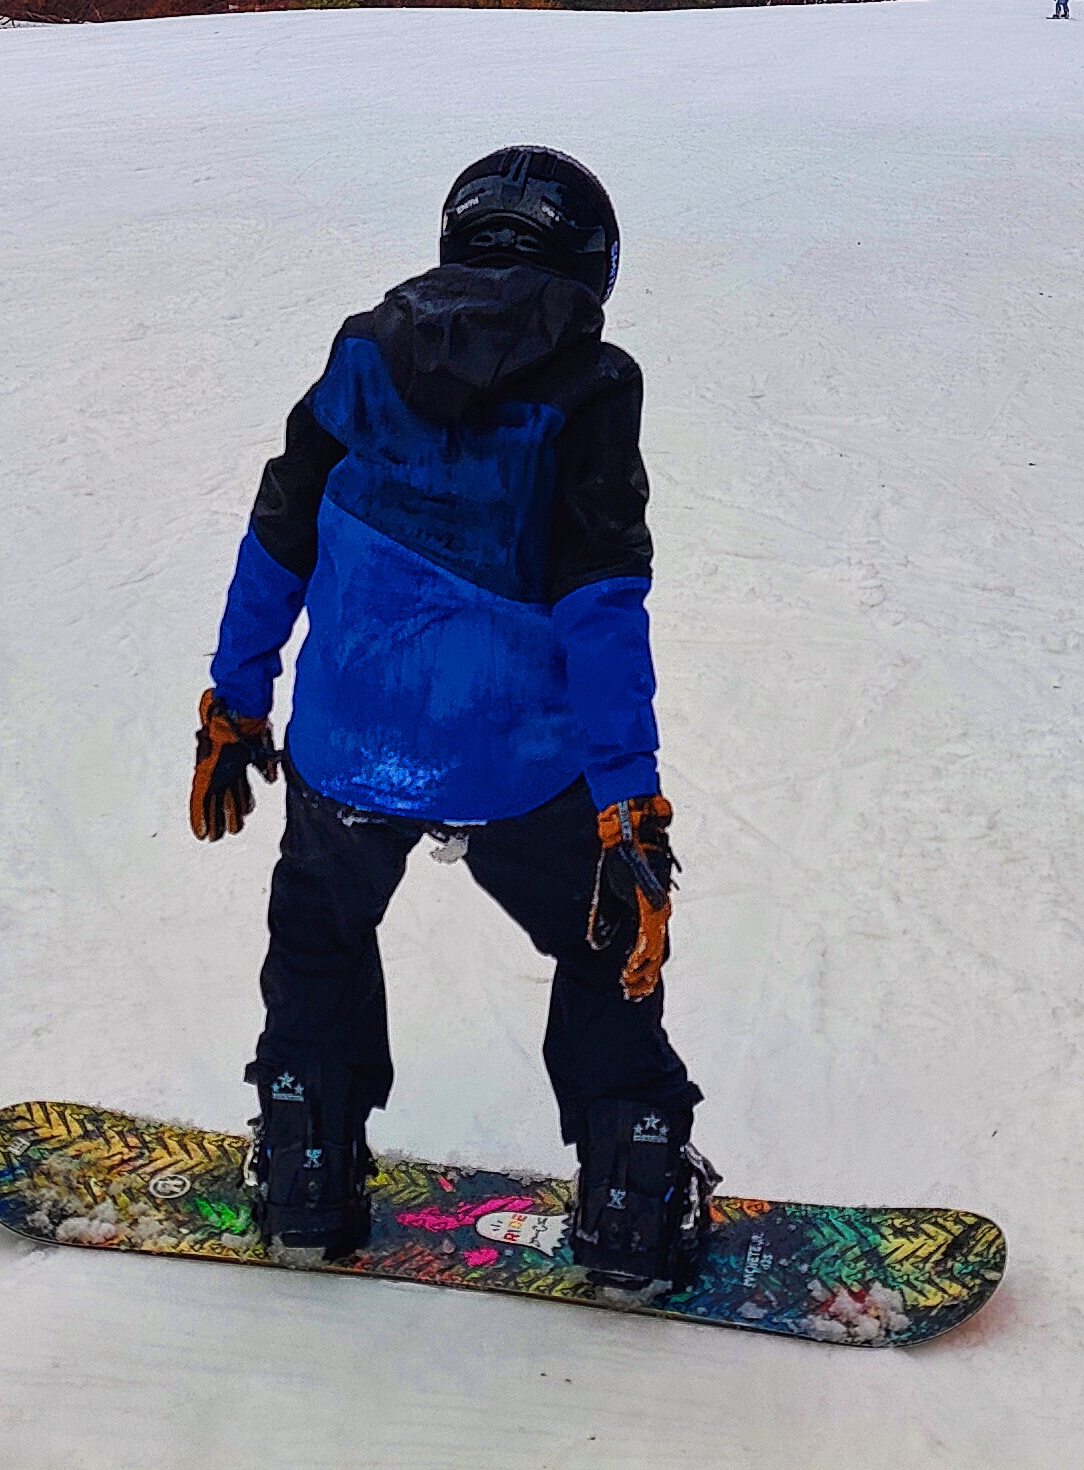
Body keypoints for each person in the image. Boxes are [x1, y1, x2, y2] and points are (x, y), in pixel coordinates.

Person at [188, 146, 709, 1294]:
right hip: (516, 754)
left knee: (319, 935)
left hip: (349, 741)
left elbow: (278, 530)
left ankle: (306, 1169)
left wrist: (235, 698)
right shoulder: (593, 384)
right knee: (602, 944)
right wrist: (625, 800)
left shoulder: (363, 350)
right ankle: (629, 1199)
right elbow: (601, 600)